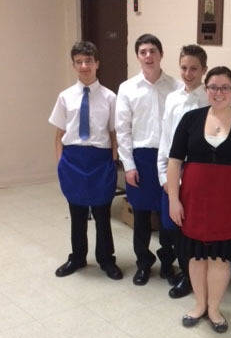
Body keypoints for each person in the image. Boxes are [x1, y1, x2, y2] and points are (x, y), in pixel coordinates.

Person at [167, 66, 231, 333]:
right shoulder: (190, 119)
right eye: (213, 87)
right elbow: (174, 161)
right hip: (193, 201)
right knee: (197, 256)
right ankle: (199, 305)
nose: (218, 92)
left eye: (224, 87)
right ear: (206, 89)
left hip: (229, 204)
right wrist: (174, 199)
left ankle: (214, 308)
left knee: (220, 258)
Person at [48, 41, 123, 280]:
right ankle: (78, 257)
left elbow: (114, 134)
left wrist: (113, 163)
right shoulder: (65, 97)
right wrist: (61, 164)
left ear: (97, 63)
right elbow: (59, 134)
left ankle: (106, 259)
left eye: (88, 61)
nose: (84, 66)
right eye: (79, 62)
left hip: (100, 160)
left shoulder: (110, 97)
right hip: (73, 161)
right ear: (73, 65)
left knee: (102, 215)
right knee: (77, 214)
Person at [115, 34, 181, 286]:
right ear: (138, 56)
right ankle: (143, 263)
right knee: (141, 217)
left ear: (161, 54)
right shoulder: (127, 88)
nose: (148, 56)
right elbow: (122, 130)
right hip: (140, 158)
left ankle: (167, 264)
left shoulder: (175, 87)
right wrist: (128, 166)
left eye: (153, 50)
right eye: (143, 52)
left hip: (169, 159)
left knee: (167, 217)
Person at [157, 44, 209, 298]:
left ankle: (193, 278)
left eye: (194, 69)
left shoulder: (209, 100)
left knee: (195, 229)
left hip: (199, 174)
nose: (188, 74)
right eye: (184, 68)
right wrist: (163, 176)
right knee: (173, 227)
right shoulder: (173, 98)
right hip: (173, 172)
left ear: (204, 70)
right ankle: (183, 271)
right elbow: (165, 139)